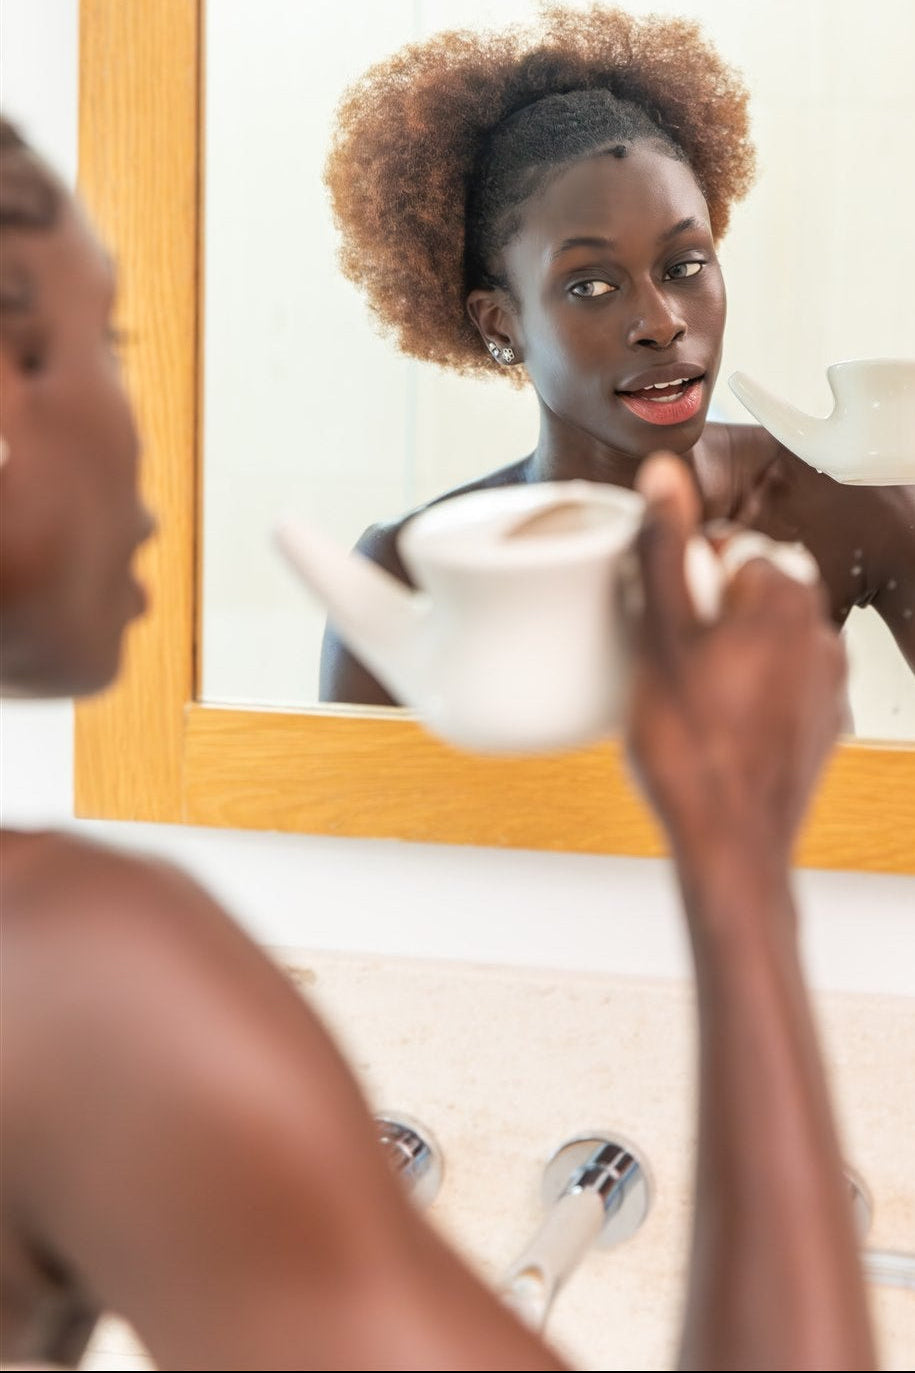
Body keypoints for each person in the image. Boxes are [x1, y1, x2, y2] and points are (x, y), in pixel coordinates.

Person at [0, 116, 874, 1370]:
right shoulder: (68, 977)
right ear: (496, 319)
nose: (140, 418)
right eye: (90, 348)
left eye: (687, 264)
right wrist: (738, 844)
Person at [318, 4, 915, 706]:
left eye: (684, 266)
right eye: (592, 284)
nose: (661, 324)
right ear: (499, 322)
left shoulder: (834, 503)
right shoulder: (408, 578)